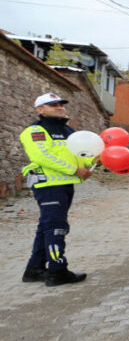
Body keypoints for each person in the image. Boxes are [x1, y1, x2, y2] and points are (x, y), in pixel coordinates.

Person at [19, 93, 95, 286]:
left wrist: (92, 161)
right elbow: (42, 157)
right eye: (53, 104)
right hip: (48, 185)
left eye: (61, 104)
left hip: (64, 184)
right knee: (56, 227)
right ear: (40, 109)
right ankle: (57, 271)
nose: (59, 107)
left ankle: (34, 269)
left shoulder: (68, 130)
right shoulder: (35, 131)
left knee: (46, 226)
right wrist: (75, 170)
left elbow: (78, 156)